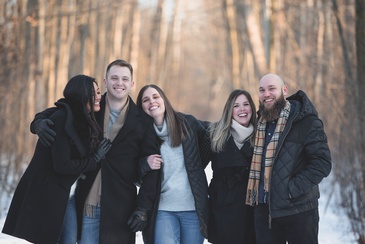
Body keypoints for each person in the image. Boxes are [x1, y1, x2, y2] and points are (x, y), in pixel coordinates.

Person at [29, 60, 160, 244]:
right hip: (86, 203)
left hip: (121, 209)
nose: (119, 83)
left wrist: (143, 208)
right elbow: (60, 110)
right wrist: (37, 123)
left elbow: (154, 170)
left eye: (124, 79)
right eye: (114, 78)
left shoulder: (143, 121)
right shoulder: (91, 106)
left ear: (132, 84)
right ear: (105, 81)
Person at [2, 75, 112, 244]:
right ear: (81, 95)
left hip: (63, 195)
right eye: (94, 93)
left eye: (98, 92)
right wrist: (94, 159)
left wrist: (37, 121)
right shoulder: (62, 118)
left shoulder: (81, 115)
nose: (99, 96)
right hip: (44, 195)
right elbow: (62, 165)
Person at [245, 74, 332, 244]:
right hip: (265, 213)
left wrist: (292, 189)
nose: (266, 94)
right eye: (262, 90)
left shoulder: (306, 121)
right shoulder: (257, 125)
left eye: (272, 88)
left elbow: (322, 162)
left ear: (284, 90)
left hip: (299, 212)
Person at [136, 84, 209, 244]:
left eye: (155, 97)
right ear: (141, 107)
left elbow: (210, 135)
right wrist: (145, 164)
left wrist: (198, 164)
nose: (152, 102)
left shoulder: (187, 123)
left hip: (193, 209)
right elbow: (132, 171)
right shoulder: (140, 135)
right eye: (146, 100)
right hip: (163, 210)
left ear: (164, 100)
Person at [199, 89, 257, 243]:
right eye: (236, 106)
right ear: (229, 110)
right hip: (223, 208)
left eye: (246, 104)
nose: (242, 109)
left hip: (252, 209)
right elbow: (196, 169)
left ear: (252, 107)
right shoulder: (215, 134)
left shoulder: (261, 136)